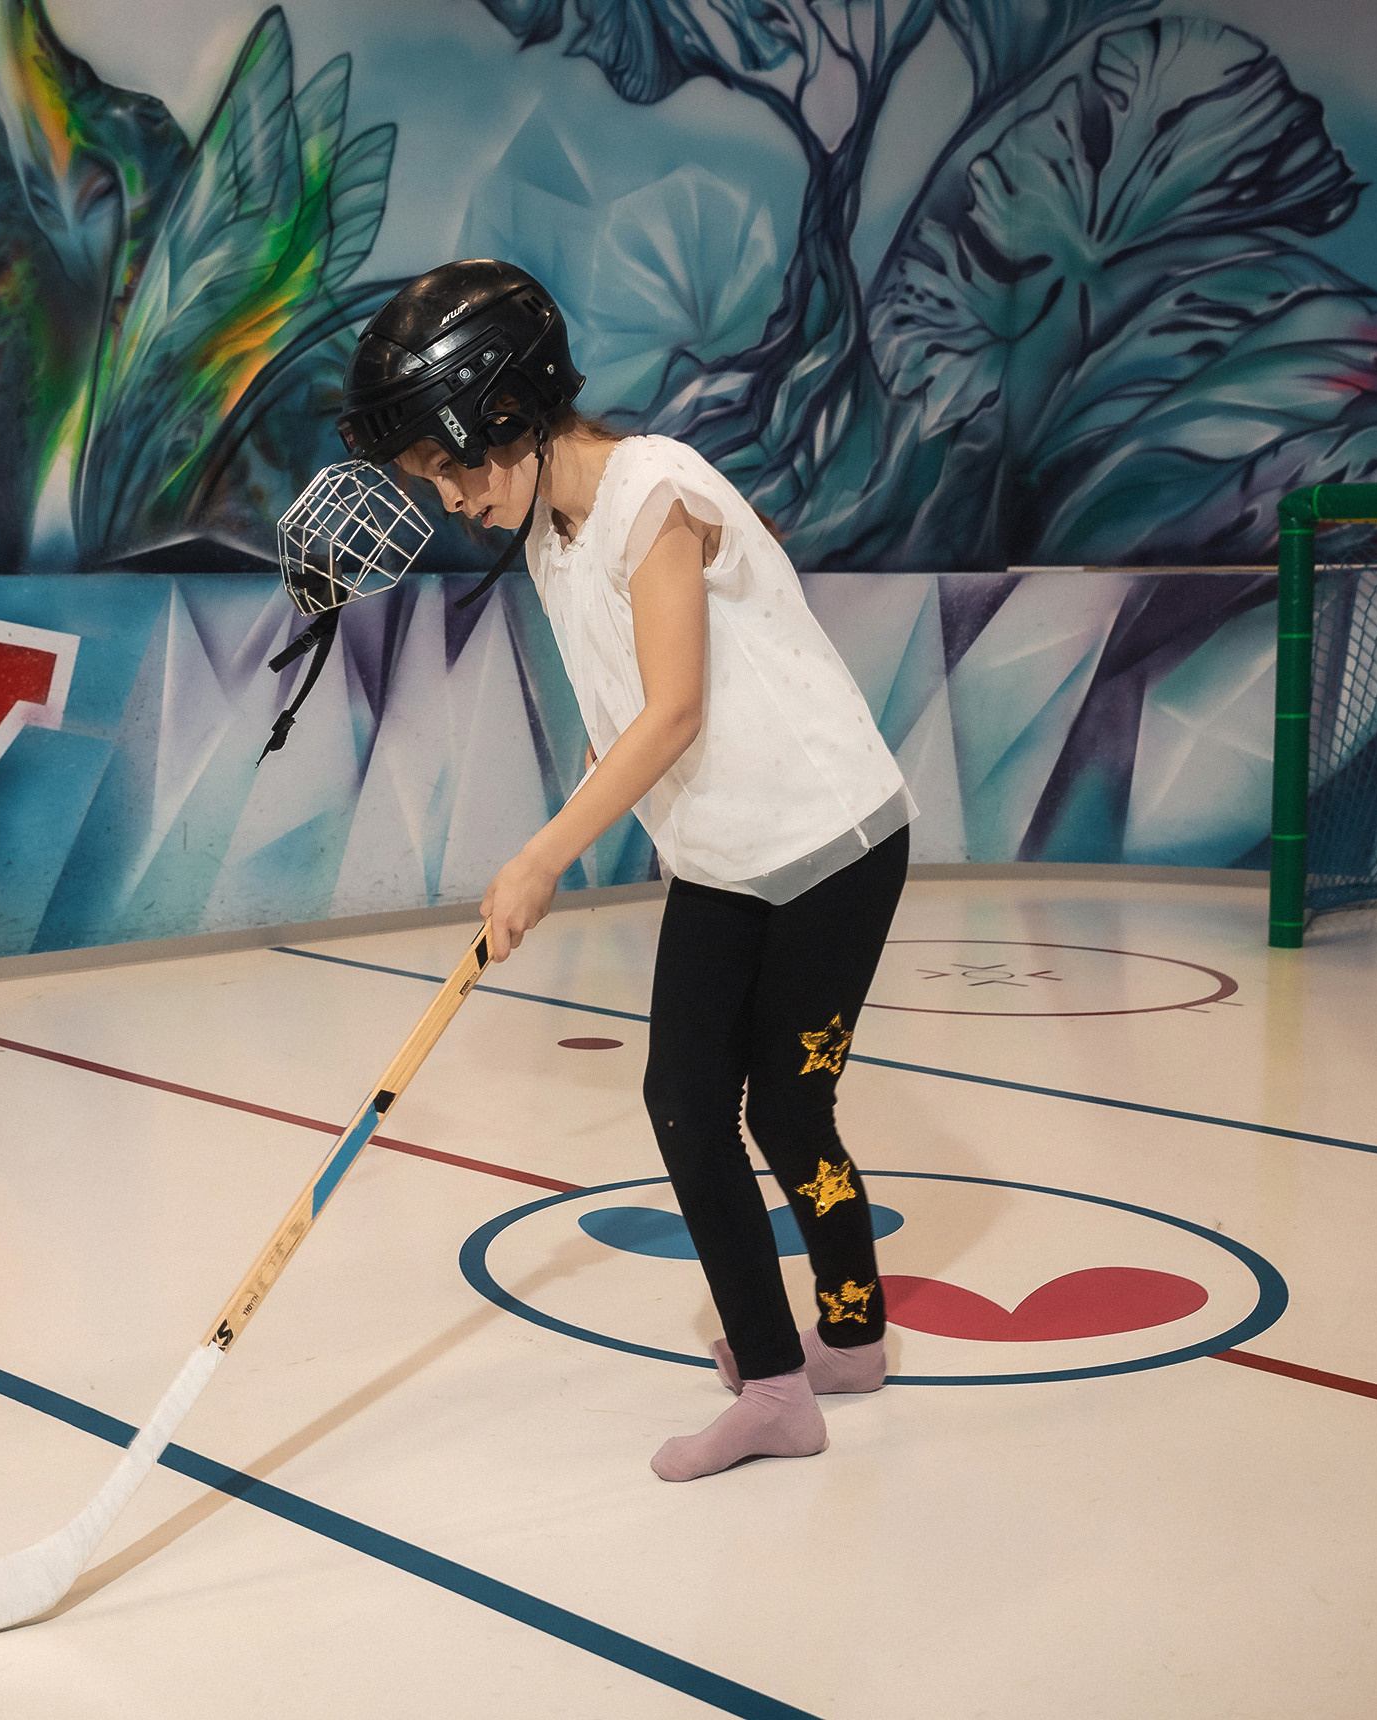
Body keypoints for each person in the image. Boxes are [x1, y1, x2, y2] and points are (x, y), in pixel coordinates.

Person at [335, 260, 915, 1481]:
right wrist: (550, 846)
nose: (451, 501)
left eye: (447, 470)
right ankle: (781, 1382)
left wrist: (542, 856)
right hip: (719, 856)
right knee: (686, 1104)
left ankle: (850, 1338)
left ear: (503, 413)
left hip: (829, 845)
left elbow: (675, 710)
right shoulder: (550, 541)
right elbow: (623, 727)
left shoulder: (652, 490)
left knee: (787, 1107)